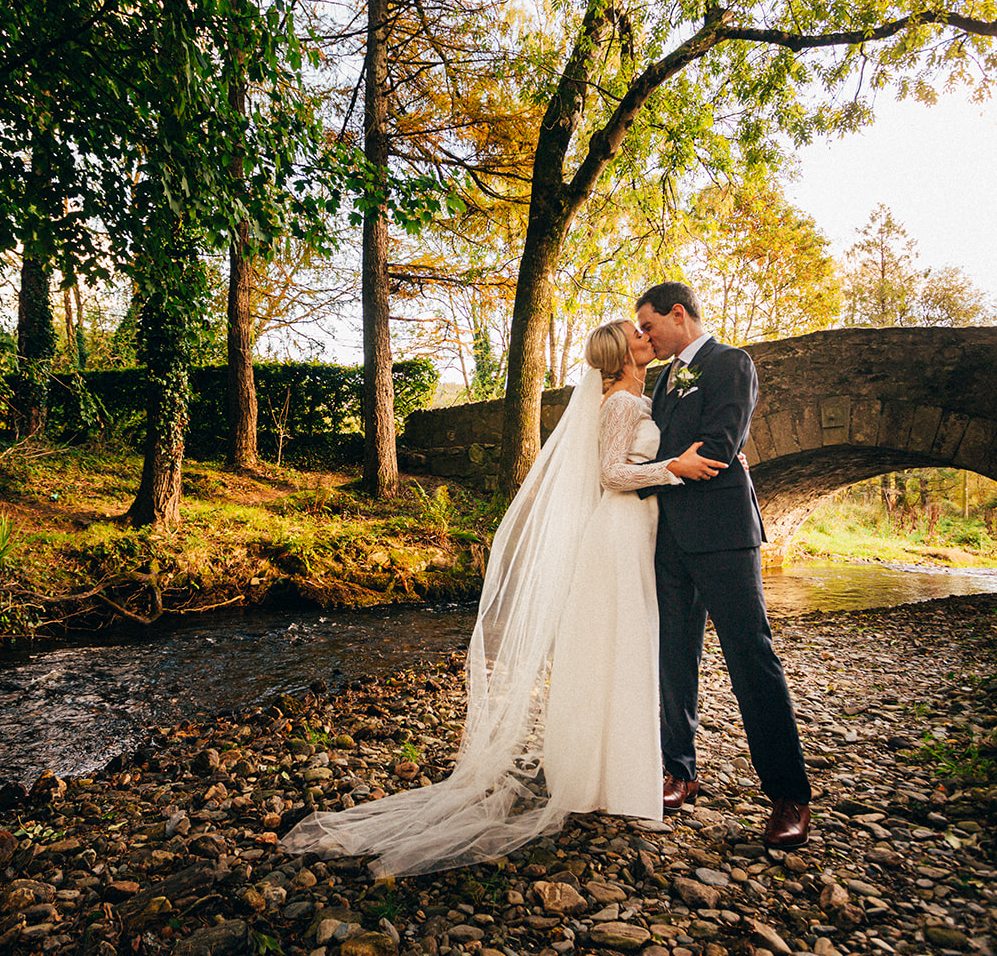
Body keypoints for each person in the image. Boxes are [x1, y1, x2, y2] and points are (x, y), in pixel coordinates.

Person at [279, 319, 726, 878]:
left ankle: (615, 769)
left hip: (640, 532)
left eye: (646, 330)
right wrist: (675, 467)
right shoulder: (617, 404)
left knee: (624, 646)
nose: (646, 337)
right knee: (618, 642)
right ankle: (599, 774)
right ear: (623, 353)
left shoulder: (641, 395)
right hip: (618, 532)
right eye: (637, 335)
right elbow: (612, 474)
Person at [634, 281, 812, 849]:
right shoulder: (662, 379)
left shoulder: (731, 363)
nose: (644, 336)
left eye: (649, 325)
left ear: (678, 314)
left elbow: (718, 447)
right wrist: (660, 469)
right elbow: (667, 455)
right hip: (669, 540)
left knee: (750, 655)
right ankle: (678, 771)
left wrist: (665, 466)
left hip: (724, 534)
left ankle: (789, 794)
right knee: (673, 657)